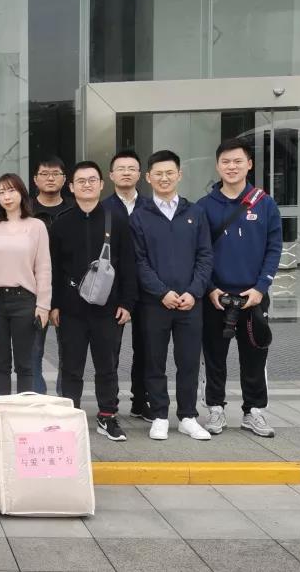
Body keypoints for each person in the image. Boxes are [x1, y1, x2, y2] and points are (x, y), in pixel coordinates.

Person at [197, 138, 282, 438]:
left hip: (253, 297)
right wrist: (210, 289)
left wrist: (260, 288)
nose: (231, 167)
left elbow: (274, 248)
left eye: (237, 161)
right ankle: (215, 408)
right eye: (225, 162)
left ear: (249, 164)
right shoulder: (204, 206)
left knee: (255, 355)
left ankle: (253, 411)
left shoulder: (265, 204)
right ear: (217, 166)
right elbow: (199, 252)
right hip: (215, 297)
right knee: (214, 356)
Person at [50, 162, 137, 442]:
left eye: (92, 180)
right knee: (71, 366)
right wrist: (54, 304)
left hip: (107, 308)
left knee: (107, 365)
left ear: (101, 184)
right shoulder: (61, 223)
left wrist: (127, 303)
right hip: (71, 309)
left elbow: (129, 264)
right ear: (71, 187)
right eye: (81, 181)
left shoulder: (117, 220)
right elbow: (54, 268)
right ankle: (70, 414)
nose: (86, 185)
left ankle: (107, 415)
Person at [130, 150, 214, 441]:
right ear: (148, 177)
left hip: (191, 303)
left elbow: (205, 256)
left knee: (188, 361)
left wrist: (194, 291)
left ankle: (188, 416)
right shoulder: (139, 216)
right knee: (154, 361)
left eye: (169, 173)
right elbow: (138, 261)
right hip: (155, 304)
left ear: (179, 175)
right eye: (158, 174)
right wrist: (162, 292)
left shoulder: (195, 213)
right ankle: (159, 415)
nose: (164, 178)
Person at [0, 173, 51, 395]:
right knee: (1, 365)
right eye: (1, 192)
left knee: (25, 365)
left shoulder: (37, 226)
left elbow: (43, 267)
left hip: (24, 300)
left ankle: (24, 411)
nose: (7, 196)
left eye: (11, 190)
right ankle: (2, 410)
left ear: (22, 193)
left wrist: (43, 305)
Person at [102, 149, 153, 422]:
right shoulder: (103, 209)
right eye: (120, 168)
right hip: (116, 289)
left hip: (149, 288)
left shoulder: (151, 207)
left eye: (131, 168)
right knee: (111, 349)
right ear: (111, 175)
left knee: (146, 347)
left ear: (140, 174)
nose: (126, 172)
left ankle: (141, 401)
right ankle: (109, 403)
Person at [30, 156, 74, 395]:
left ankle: (64, 400)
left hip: (67, 290)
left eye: (55, 174)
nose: (50, 178)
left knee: (67, 350)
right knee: (33, 350)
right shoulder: (26, 210)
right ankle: (38, 399)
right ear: (35, 179)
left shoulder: (74, 209)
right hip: (34, 291)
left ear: (65, 179)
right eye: (44, 174)